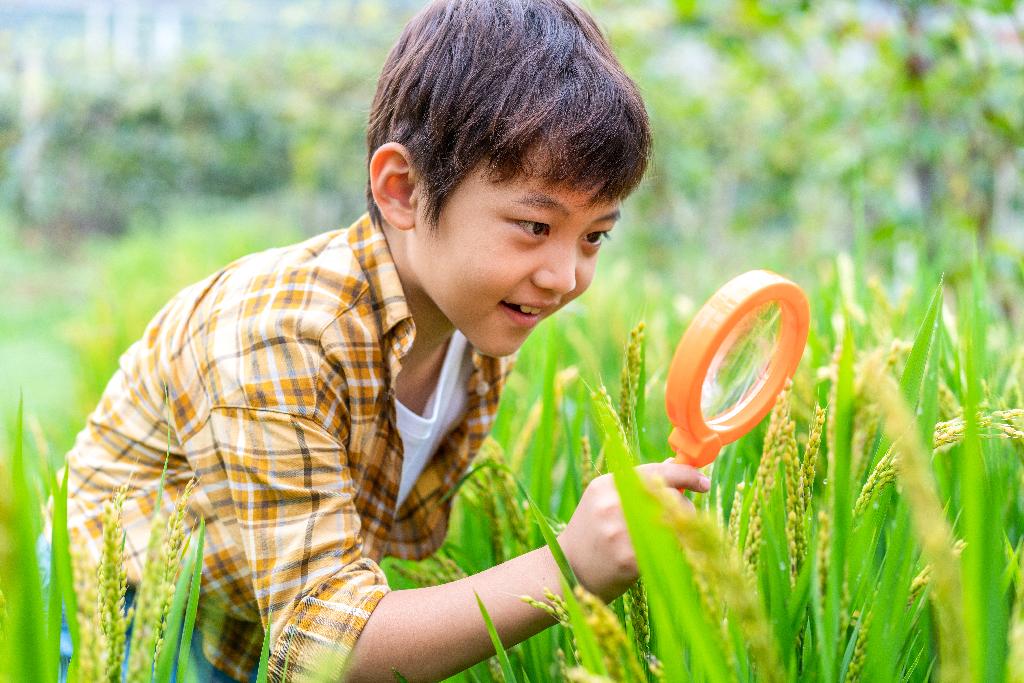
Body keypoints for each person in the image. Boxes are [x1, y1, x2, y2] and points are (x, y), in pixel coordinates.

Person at [52, 0, 710, 680]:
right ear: (402, 190)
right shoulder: (281, 336)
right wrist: (566, 566)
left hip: (244, 622)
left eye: (595, 235)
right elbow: (323, 644)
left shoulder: (480, 325)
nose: (565, 276)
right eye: (535, 227)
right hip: (112, 621)